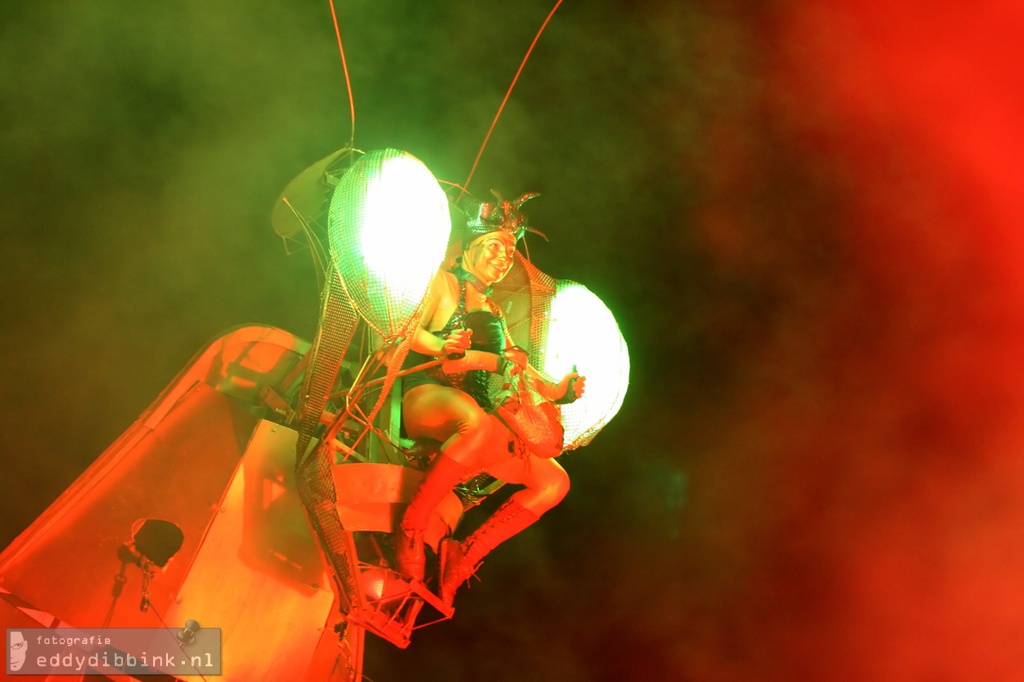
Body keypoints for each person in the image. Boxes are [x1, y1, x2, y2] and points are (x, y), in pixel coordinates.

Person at [396, 191, 585, 604]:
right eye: (494, 245)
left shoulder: (495, 312)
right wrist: (441, 347)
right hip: (428, 394)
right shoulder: (443, 284)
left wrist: (556, 390)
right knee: (478, 424)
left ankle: (465, 553)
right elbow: (407, 330)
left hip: (478, 420)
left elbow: (516, 362)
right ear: (470, 247)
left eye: (510, 249)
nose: (504, 256)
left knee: (554, 480)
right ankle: (412, 526)